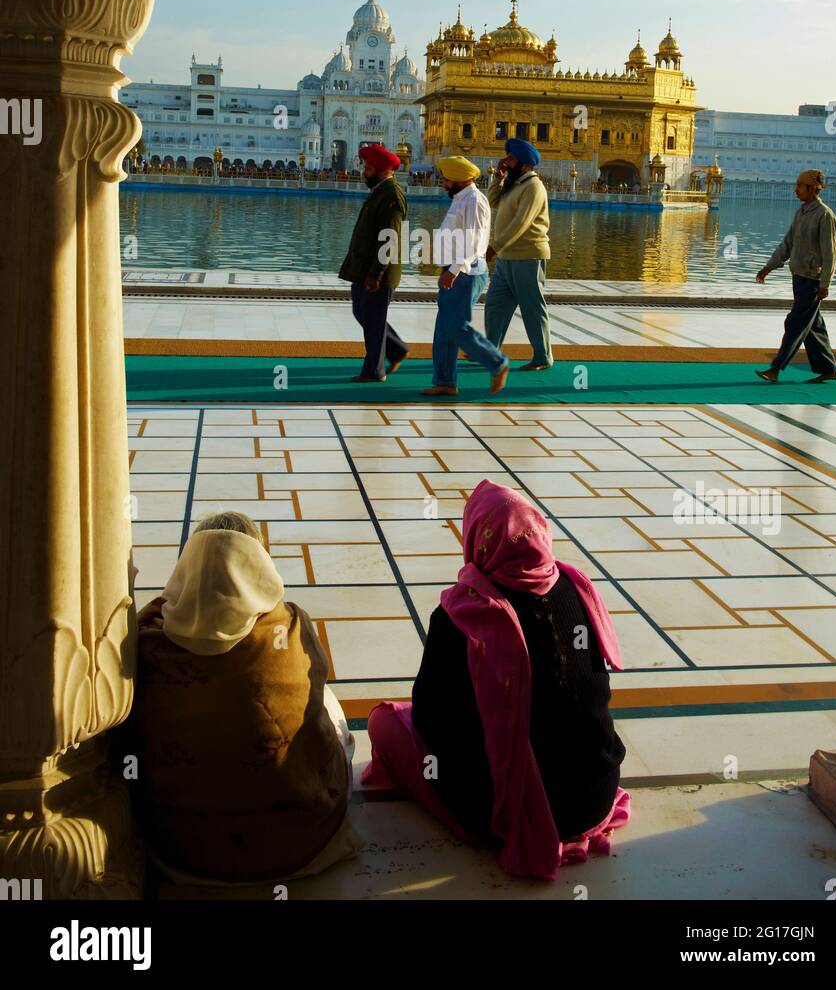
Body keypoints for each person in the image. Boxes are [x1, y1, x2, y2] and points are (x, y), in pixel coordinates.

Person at [362, 480, 630, 880]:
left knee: (385, 722)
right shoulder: (576, 588)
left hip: (506, 812)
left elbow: (430, 721)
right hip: (595, 794)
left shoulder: (464, 614)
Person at [120, 511, 359, 884]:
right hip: (302, 843)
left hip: (182, 849)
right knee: (326, 701)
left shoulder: (149, 646)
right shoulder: (290, 628)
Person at [422, 155, 509, 398]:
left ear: (459, 179)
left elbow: (473, 242)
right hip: (455, 270)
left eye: (446, 179)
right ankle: (445, 381)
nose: (443, 183)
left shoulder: (474, 201)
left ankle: (496, 362)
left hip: (466, 272)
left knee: (454, 326)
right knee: (443, 329)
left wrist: (453, 271)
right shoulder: (461, 198)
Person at [755, 168, 836, 384]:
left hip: (813, 280)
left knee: (795, 322)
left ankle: (776, 368)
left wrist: (825, 283)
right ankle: (829, 369)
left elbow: (831, 252)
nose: (796, 191)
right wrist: (769, 266)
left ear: (813, 189)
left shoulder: (824, 215)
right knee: (813, 327)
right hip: (799, 276)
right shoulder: (802, 213)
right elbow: (788, 243)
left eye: (800, 186)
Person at [338, 142, 409, 383]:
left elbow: (389, 238)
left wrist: (376, 274)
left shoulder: (391, 196)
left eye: (368, 168)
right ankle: (397, 349)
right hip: (364, 269)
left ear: (381, 169)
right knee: (363, 313)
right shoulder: (380, 191)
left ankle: (374, 371)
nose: (364, 172)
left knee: (373, 320)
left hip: (377, 272)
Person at [484, 137, 553, 371]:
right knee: (495, 306)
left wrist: (494, 246)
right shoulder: (514, 183)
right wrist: (498, 176)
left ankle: (543, 356)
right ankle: (490, 350)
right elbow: (491, 201)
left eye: (510, 159)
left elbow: (520, 223)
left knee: (532, 308)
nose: (506, 161)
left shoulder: (534, 186)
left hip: (528, 256)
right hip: (507, 258)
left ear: (524, 164)